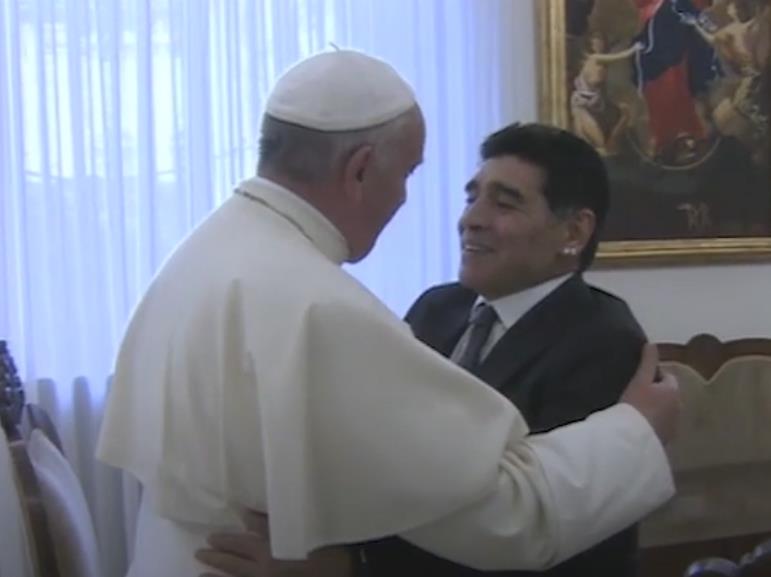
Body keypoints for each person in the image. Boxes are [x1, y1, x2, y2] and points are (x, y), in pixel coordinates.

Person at [95, 49, 679, 577]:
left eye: (504, 203)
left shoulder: (204, 253)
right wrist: (634, 432)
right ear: (359, 169)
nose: (468, 218)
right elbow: (504, 517)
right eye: (407, 174)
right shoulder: (322, 306)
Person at [196, 124, 653, 577]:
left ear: (574, 231)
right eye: (472, 197)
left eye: (504, 203)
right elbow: (385, 460)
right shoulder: (438, 308)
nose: (471, 219)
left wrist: (347, 566)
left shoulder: (604, 343)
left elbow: (545, 524)